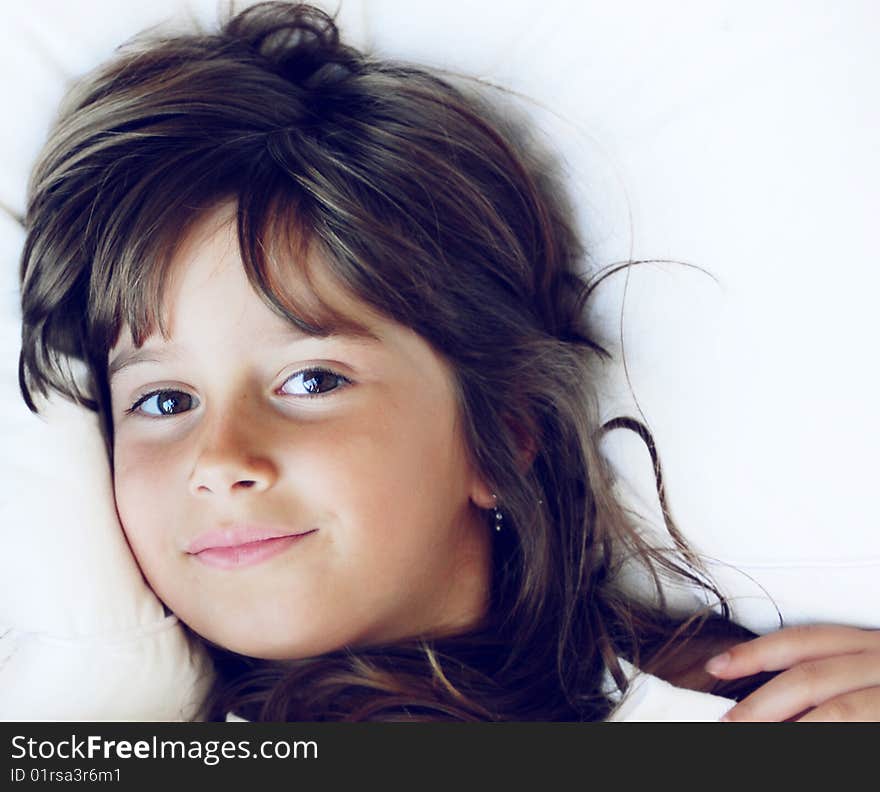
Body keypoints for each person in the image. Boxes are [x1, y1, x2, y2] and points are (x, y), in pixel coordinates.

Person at [17, 1, 880, 721]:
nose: (220, 463)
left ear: (503, 428)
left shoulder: (754, 707)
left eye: (311, 380)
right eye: (164, 401)